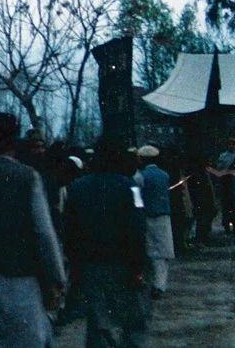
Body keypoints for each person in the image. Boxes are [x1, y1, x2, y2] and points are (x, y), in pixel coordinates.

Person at [0, 113, 65, 348]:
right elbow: (44, 233)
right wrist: (57, 277)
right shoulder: (28, 177)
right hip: (22, 282)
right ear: (15, 140)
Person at [64, 139, 149, 347]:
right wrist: (138, 265)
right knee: (133, 318)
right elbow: (138, 227)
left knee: (97, 318)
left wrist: (76, 264)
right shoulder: (131, 187)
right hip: (123, 263)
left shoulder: (77, 187)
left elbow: (69, 229)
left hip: (90, 263)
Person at [136, 145, 174, 299]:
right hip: (163, 217)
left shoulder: (140, 177)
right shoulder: (164, 175)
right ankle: (160, 285)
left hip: (146, 216)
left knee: (148, 250)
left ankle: (148, 281)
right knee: (163, 252)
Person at [186, 152, 218, 246]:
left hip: (203, 200)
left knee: (202, 221)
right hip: (202, 200)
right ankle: (200, 239)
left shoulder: (204, 174)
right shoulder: (200, 175)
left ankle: (202, 238)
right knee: (202, 221)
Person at [215, 137, 235, 233]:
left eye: (233, 144)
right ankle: (226, 226)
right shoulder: (223, 156)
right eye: (230, 144)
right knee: (226, 206)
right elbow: (218, 168)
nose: (231, 146)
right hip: (225, 183)